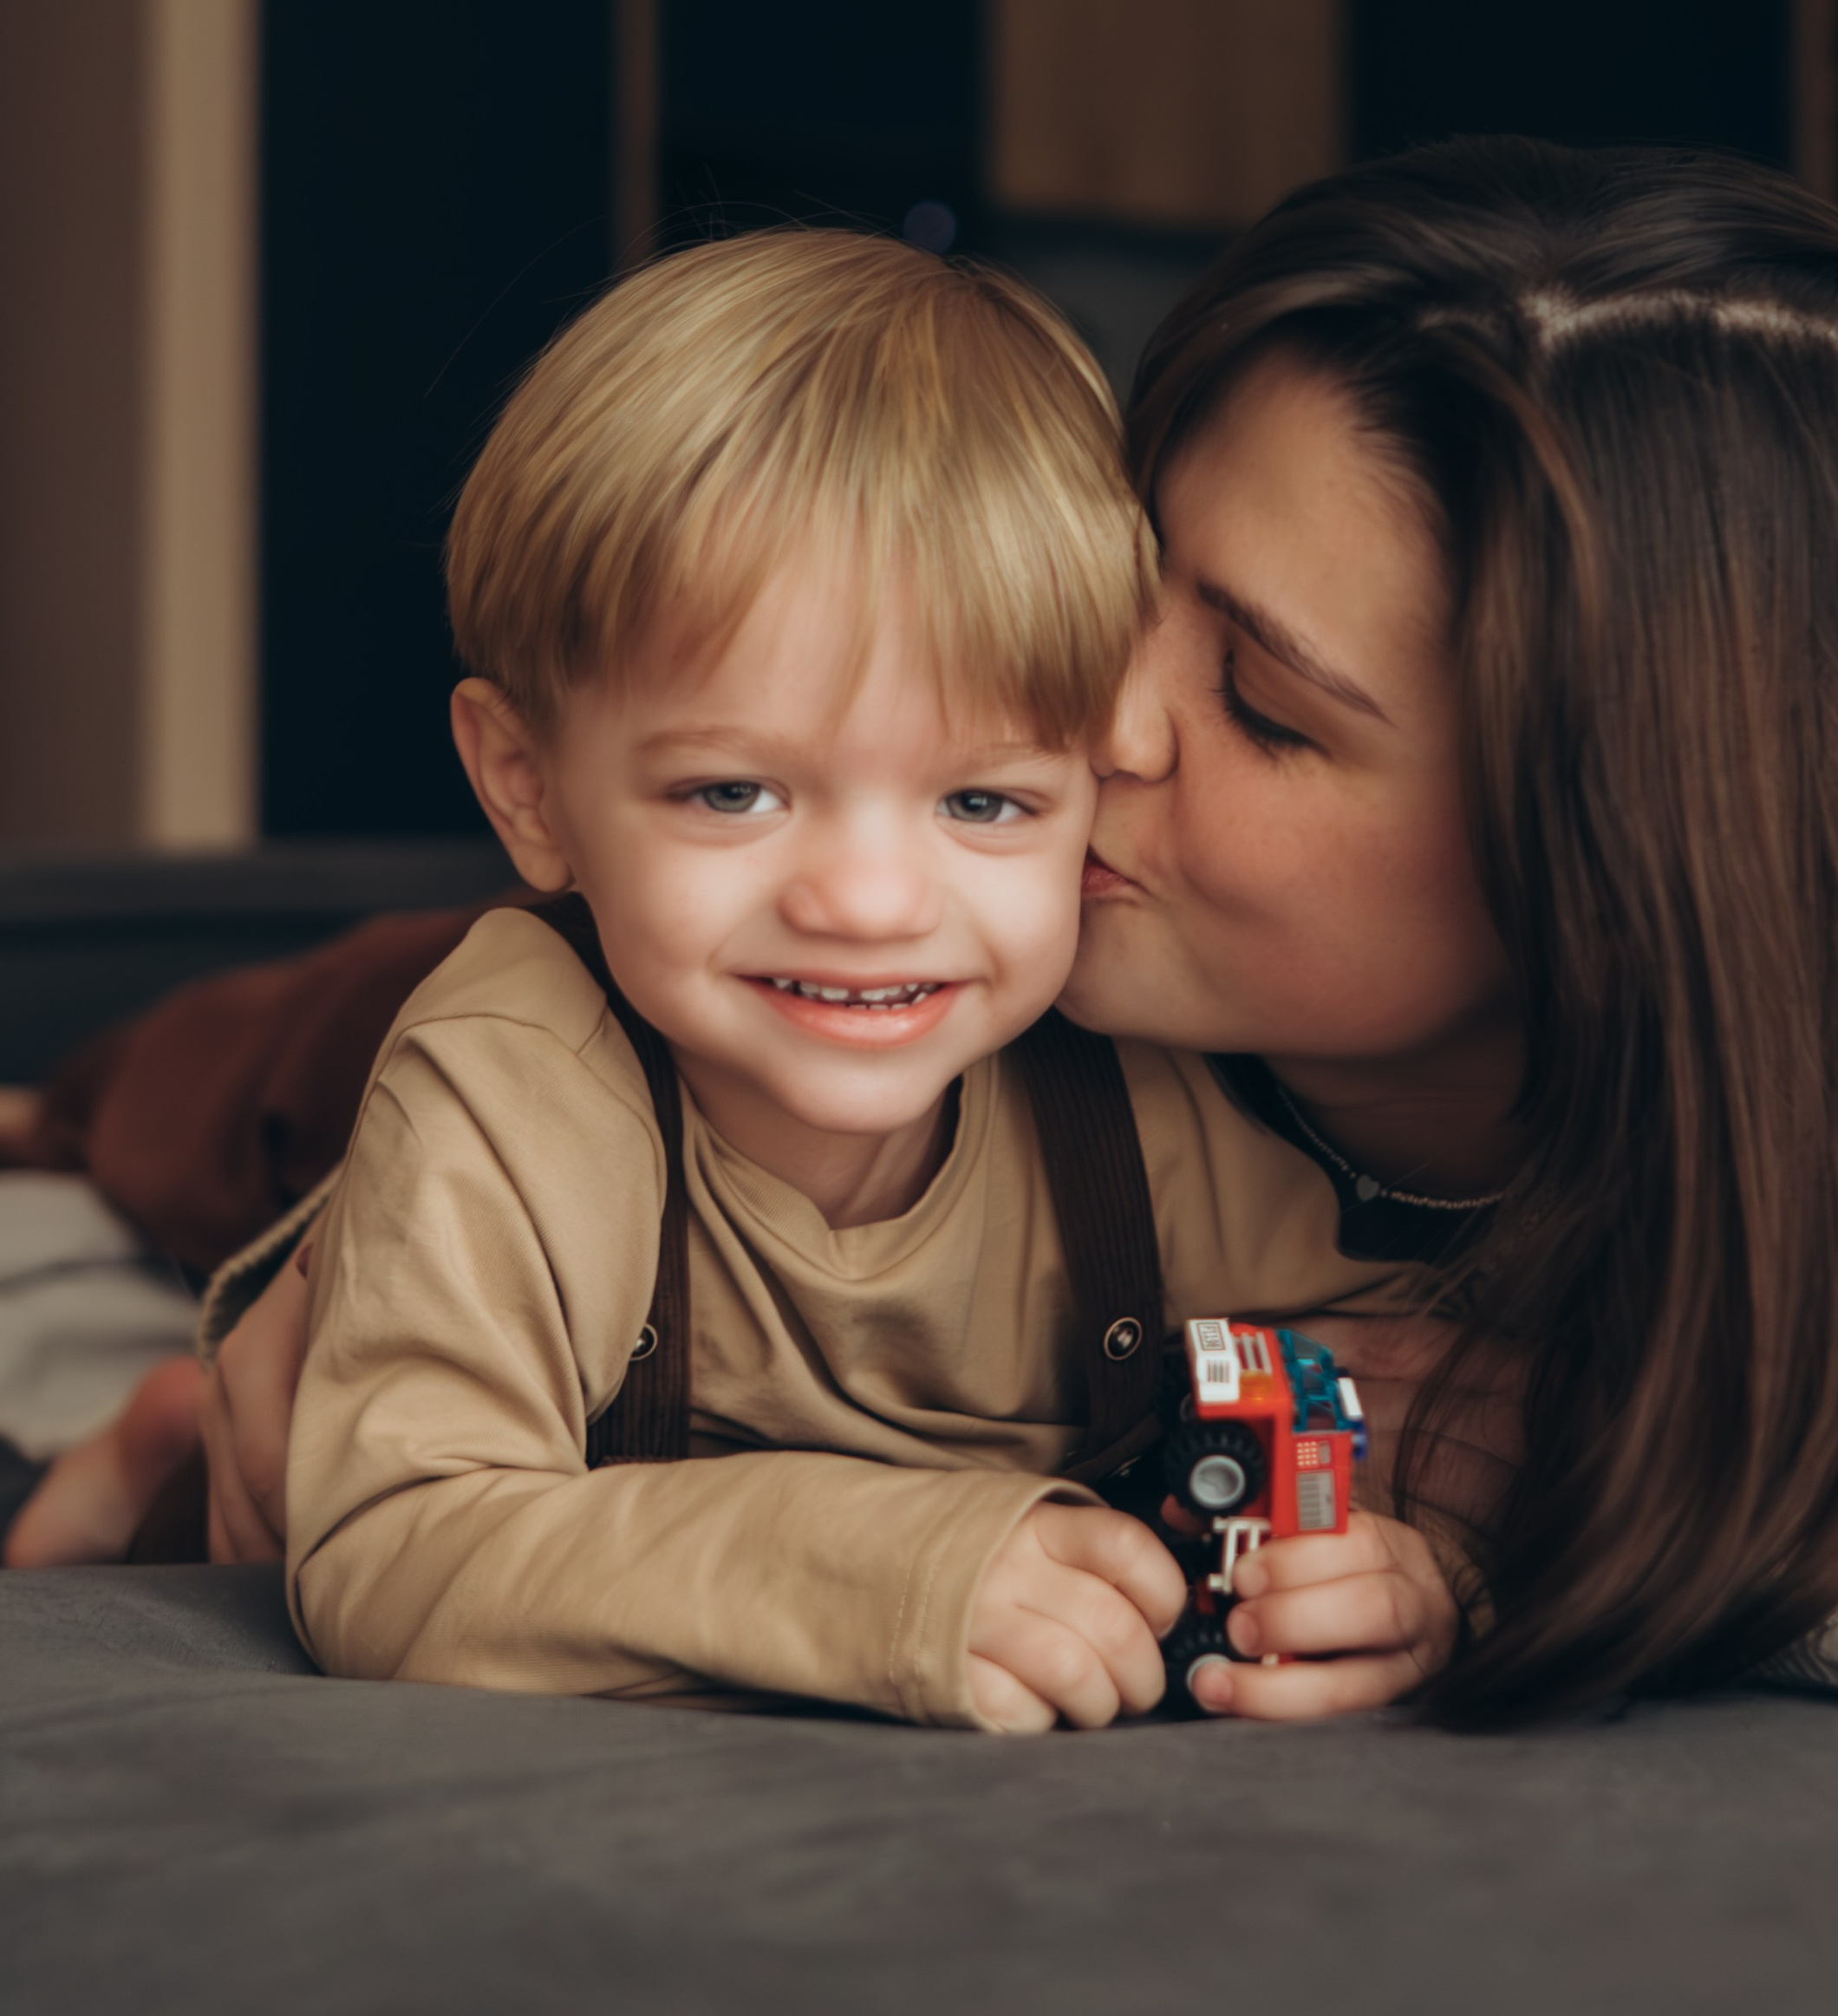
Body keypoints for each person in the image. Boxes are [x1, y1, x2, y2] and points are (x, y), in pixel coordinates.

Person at [18, 140, 1838, 1726]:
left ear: (1620, 875)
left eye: (1257, 701)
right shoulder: (893, 892)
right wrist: (328, 1281)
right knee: (276, 1067)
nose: (1076, 720)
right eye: (1124, 574)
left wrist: (1682, 1516)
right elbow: (440, 1312)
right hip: (562, 1091)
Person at [254, 226, 1457, 1731]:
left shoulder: (1124, 1104)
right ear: (530, 789)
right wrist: (892, 1573)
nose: (873, 906)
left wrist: (1404, 1582)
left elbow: (1427, 1411)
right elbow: (389, 1548)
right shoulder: (512, 1086)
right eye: (734, 794)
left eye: (983, 805)